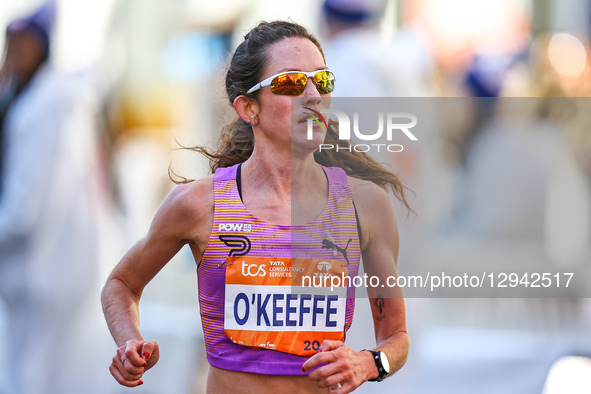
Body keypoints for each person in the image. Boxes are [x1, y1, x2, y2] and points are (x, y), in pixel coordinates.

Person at [102, 20, 410, 393]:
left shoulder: (365, 206)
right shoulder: (200, 205)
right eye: (292, 83)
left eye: (323, 81)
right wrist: (128, 342)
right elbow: (121, 284)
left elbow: (396, 337)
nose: (312, 94)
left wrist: (369, 362)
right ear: (249, 107)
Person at [0, 3, 108, 394]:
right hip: (65, 269)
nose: (10, 57)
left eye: (19, 47)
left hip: (39, 274)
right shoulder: (61, 101)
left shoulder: (39, 108)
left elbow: (21, 212)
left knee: (31, 377)